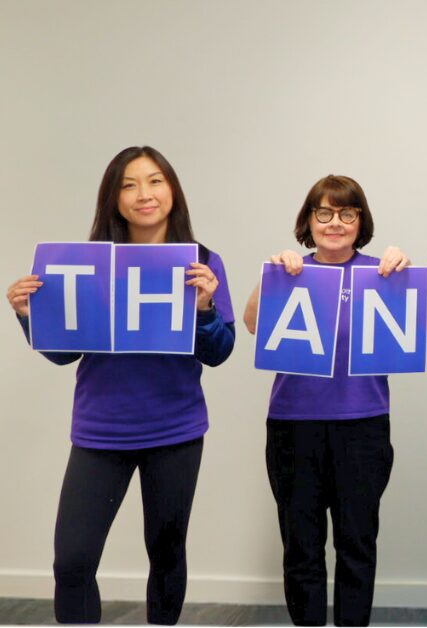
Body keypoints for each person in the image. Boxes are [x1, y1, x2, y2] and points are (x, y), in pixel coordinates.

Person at [5, 146, 235, 624]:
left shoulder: (203, 262)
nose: (143, 194)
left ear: (172, 190)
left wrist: (206, 310)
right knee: (72, 561)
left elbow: (218, 352)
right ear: (113, 198)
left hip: (175, 431)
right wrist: (30, 317)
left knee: (167, 553)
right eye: (128, 185)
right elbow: (64, 352)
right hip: (99, 431)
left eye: (154, 181)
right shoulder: (87, 262)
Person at [243, 175, 409, 626]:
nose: (335, 222)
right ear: (309, 220)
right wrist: (272, 276)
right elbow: (252, 323)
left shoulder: (383, 272)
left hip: (363, 426)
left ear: (360, 220)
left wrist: (406, 271)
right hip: (294, 426)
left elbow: (425, 324)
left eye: (347, 213)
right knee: (301, 547)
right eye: (324, 212)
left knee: (357, 545)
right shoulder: (290, 270)